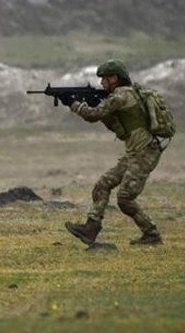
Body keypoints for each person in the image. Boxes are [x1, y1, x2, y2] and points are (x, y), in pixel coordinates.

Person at [64, 59, 165, 246]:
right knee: (102, 186)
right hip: (135, 153)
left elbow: (93, 115)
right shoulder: (127, 93)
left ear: (114, 78)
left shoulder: (121, 96)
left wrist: (73, 103)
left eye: (104, 79)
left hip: (144, 153)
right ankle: (91, 228)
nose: (102, 83)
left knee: (125, 199)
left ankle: (152, 234)